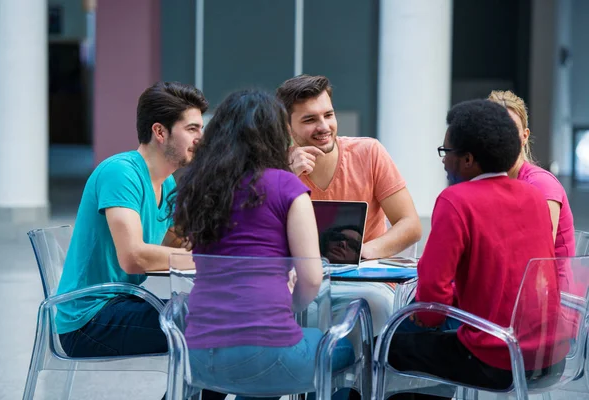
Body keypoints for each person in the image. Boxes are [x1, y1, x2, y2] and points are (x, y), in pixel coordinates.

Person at [172, 89, 355, 400]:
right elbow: (311, 278)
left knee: (262, 370)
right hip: (268, 352)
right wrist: (290, 305)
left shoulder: (197, 185)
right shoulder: (286, 185)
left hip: (197, 356)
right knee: (343, 346)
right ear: (275, 136)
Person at [56, 82, 225, 400]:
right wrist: (212, 262)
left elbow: (182, 247)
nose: (200, 139)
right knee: (216, 329)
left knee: (223, 318)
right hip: (88, 318)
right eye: (192, 129)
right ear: (160, 132)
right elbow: (133, 257)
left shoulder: (168, 185)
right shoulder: (122, 173)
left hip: (122, 304)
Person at [386, 99, 562, 400]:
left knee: (382, 346)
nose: (443, 161)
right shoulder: (533, 196)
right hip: (549, 357)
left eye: (447, 152)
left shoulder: (456, 201)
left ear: (468, 160)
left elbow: (431, 298)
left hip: (494, 358)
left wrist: (428, 319)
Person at [276, 74, 421, 335]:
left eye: (328, 115)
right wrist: (287, 178)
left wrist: (364, 251)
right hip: (299, 284)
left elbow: (410, 224)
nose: (324, 126)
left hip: (364, 282)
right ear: (287, 128)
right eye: (310, 119)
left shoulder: (369, 152)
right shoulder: (276, 167)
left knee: (373, 305)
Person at [488, 90, 575, 259]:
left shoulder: (541, 185)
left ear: (525, 136)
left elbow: (539, 261)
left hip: (549, 284)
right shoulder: (494, 183)